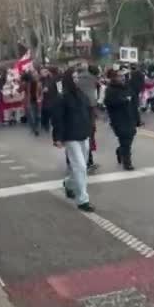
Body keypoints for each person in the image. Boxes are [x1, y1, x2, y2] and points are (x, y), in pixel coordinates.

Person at [52, 68, 95, 212]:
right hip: (70, 137)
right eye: (74, 77)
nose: (77, 80)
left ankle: (69, 184)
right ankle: (83, 199)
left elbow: (89, 113)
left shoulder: (82, 95)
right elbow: (57, 119)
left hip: (84, 134)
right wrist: (57, 137)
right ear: (68, 79)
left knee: (79, 167)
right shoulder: (62, 97)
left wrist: (90, 128)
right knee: (80, 167)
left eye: (78, 77)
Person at [105, 69, 136, 171]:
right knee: (125, 139)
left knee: (129, 138)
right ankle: (127, 162)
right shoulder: (110, 90)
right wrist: (123, 100)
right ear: (114, 78)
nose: (122, 78)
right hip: (118, 119)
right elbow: (109, 103)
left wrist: (138, 119)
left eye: (123, 76)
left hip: (130, 118)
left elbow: (134, 104)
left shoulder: (128, 88)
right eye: (119, 76)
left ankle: (120, 151)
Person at [77, 62, 99, 172]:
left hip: (78, 108)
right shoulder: (93, 79)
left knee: (80, 135)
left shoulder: (75, 80)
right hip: (90, 107)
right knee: (89, 134)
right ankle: (89, 161)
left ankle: (82, 160)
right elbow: (94, 95)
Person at [24, 70, 42, 136]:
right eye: (34, 75)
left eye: (36, 75)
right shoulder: (27, 83)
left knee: (37, 115)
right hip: (30, 101)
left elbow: (41, 93)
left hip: (37, 101)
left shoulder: (39, 83)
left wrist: (40, 99)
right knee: (32, 115)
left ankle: (36, 128)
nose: (35, 77)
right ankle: (35, 129)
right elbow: (22, 89)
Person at [40, 68, 58, 133]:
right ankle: (46, 125)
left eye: (43, 72)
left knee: (50, 112)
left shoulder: (53, 79)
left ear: (47, 72)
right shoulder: (41, 79)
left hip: (52, 98)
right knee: (45, 113)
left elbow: (58, 89)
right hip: (45, 99)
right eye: (41, 73)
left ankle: (49, 125)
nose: (42, 74)